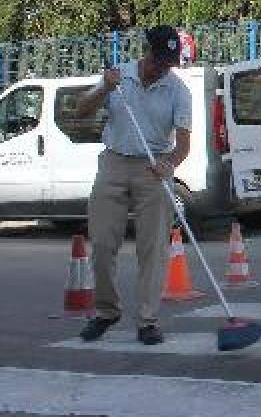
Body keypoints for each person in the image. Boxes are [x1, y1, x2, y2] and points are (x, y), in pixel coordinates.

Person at [75, 25, 192, 345]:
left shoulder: (178, 91)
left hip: (154, 167)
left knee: (153, 248)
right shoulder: (119, 76)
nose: (161, 68)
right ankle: (106, 311)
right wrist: (104, 90)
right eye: (157, 59)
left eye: (168, 63)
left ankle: (147, 320)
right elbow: (81, 110)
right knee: (101, 242)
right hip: (113, 162)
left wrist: (171, 165)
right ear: (147, 51)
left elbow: (183, 145)